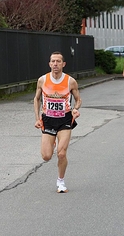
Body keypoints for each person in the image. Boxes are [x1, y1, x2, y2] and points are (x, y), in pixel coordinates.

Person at [34, 51, 81, 193]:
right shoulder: (42, 80)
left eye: (58, 61)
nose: (55, 64)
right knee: (46, 156)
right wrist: (37, 118)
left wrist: (75, 109)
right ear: (49, 64)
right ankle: (52, 142)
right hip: (48, 120)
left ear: (63, 64)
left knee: (61, 153)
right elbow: (36, 99)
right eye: (53, 61)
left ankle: (61, 181)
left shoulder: (70, 81)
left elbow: (78, 99)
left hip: (65, 120)